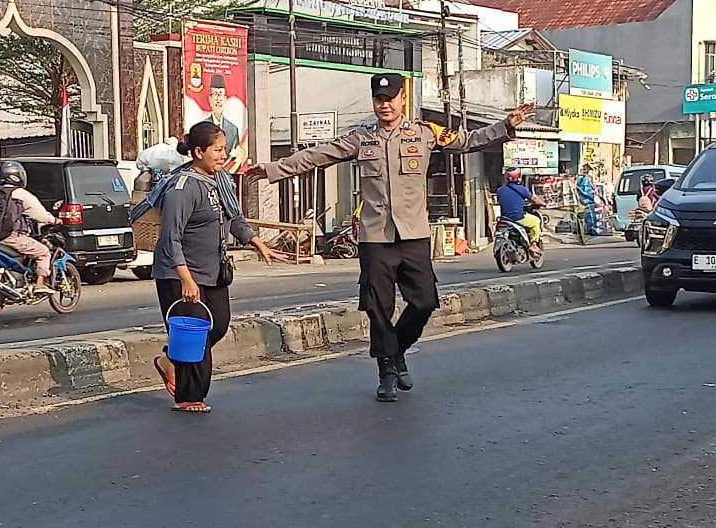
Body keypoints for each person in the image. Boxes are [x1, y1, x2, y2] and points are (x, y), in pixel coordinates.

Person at [246, 72, 533, 402]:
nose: (385, 105)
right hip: (376, 236)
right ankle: (386, 371)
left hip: (413, 234)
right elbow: (319, 155)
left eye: (390, 98)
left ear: (402, 99)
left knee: (425, 301)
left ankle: (397, 351)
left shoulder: (425, 133)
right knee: (377, 307)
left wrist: (505, 125)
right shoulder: (361, 138)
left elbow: (467, 140)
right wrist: (273, 169)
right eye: (379, 99)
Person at [152, 121, 279, 413]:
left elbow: (234, 219)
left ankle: (171, 360)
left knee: (218, 325)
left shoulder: (220, 181)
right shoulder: (182, 188)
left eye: (224, 149)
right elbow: (171, 237)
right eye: (218, 150)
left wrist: (257, 243)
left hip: (213, 271)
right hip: (180, 273)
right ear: (198, 152)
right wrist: (185, 278)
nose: (223, 155)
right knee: (193, 332)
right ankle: (189, 396)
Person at [0, 161, 59, 297]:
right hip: (12, 237)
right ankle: (39, 285)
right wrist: (54, 220)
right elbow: (40, 215)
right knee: (44, 252)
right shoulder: (21, 194)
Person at [496, 168, 546, 248]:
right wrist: (544, 204)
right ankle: (534, 244)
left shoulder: (500, 190)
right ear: (519, 177)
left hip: (505, 218)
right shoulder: (522, 189)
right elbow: (535, 200)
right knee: (536, 221)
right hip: (518, 218)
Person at [205, 75, 243, 160]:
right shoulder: (203, 127)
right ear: (210, 99)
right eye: (215, 94)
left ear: (225, 99)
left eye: (220, 95)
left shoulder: (233, 129)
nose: (218, 100)